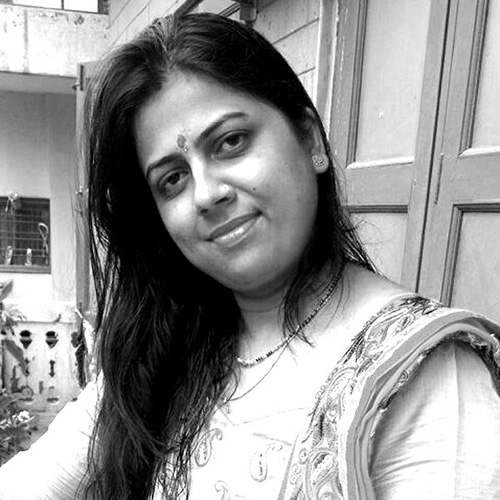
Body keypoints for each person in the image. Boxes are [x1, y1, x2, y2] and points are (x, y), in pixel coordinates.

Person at [1, 12, 500, 500]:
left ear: (309, 137)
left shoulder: (427, 377)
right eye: (172, 179)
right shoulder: (165, 351)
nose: (205, 194)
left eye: (231, 142)